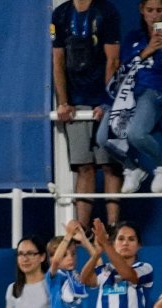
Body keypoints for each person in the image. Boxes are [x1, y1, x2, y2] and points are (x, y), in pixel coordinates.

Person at [52, 0, 124, 229]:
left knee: (109, 165)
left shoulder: (106, 12)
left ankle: (113, 227)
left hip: (103, 101)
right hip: (76, 103)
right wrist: (64, 102)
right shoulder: (60, 14)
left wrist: (107, 101)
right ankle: (83, 229)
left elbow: (112, 59)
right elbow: (58, 60)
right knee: (84, 166)